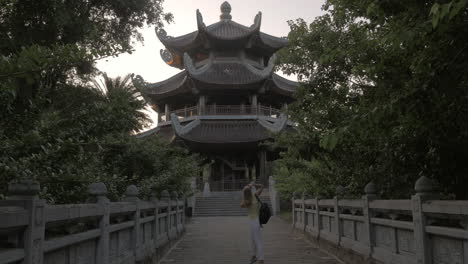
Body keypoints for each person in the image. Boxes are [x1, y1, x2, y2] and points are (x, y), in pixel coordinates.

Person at [240, 183, 264, 264]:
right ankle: (254, 256)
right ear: (250, 190)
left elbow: (241, 205)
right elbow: (261, 186)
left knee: (257, 240)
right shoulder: (256, 195)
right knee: (254, 239)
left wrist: (245, 191)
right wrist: (253, 184)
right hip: (256, 220)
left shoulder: (246, 201)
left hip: (252, 221)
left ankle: (261, 260)